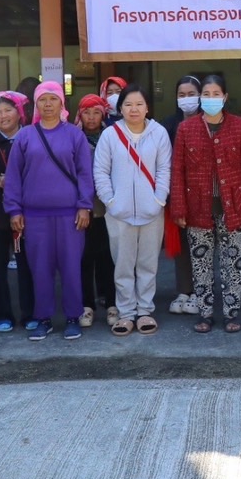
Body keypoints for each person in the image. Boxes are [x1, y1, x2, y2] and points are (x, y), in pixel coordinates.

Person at [171, 74, 241, 333]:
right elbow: (177, 170)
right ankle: (205, 314)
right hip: (197, 208)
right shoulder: (186, 129)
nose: (211, 99)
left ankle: (231, 314)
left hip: (234, 208)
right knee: (201, 266)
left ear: (225, 97)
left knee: (233, 264)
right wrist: (178, 207)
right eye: (206, 94)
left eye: (216, 94)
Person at [5, 82, 93, 339]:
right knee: (40, 270)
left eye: (53, 99)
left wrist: (84, 205)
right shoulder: (25, 136)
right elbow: (13, 178)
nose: (47, 104)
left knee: (71, 268)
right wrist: (14, 210)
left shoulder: (75, 135)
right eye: (42, 99)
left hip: (70, 215)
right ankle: (42, 318)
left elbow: (84, 174)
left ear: (61, 104)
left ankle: (72, 317)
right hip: (34, 216)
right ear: (35, 104)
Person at [94, 86, 171, 333]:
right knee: (123, 264)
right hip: (119, 213)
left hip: (152, 210)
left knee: (148, 263)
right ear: (120, 109)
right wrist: (111, 202)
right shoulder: (110, 135)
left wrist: (158, 200)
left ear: (147, 107)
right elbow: (101, 171)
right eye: (128, 104)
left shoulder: (159, 133)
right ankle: (126, 312)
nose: (134, 109)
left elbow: (164, 169)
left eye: (139, 104)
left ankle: (145, 311)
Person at [0, 91, 32, 332]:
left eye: (8, 110)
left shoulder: (33, 137)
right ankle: (2, 315)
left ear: (19, 112)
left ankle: (31, 313)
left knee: (28, 264)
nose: (3, 116)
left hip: (29, 212)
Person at [162, 75, 203, 315]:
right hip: (178, 194)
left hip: (205, 195)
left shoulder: (210, 121)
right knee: (183, 247)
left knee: (203, 246)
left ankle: (201, 290)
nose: (186, 99)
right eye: (181, 95)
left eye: (191, 94)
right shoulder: (167, 126)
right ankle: (183, 290)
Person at [76, 93, 117, 325]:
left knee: (107, 257)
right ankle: (87, 305)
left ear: (103, 114)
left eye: (96, 112)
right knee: (84, 258)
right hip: (82, 208)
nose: (91, 117)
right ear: (79, 115)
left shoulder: (111, 136)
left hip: (108, 207)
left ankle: (111, 303)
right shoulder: (73, 137)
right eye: (86, 112)